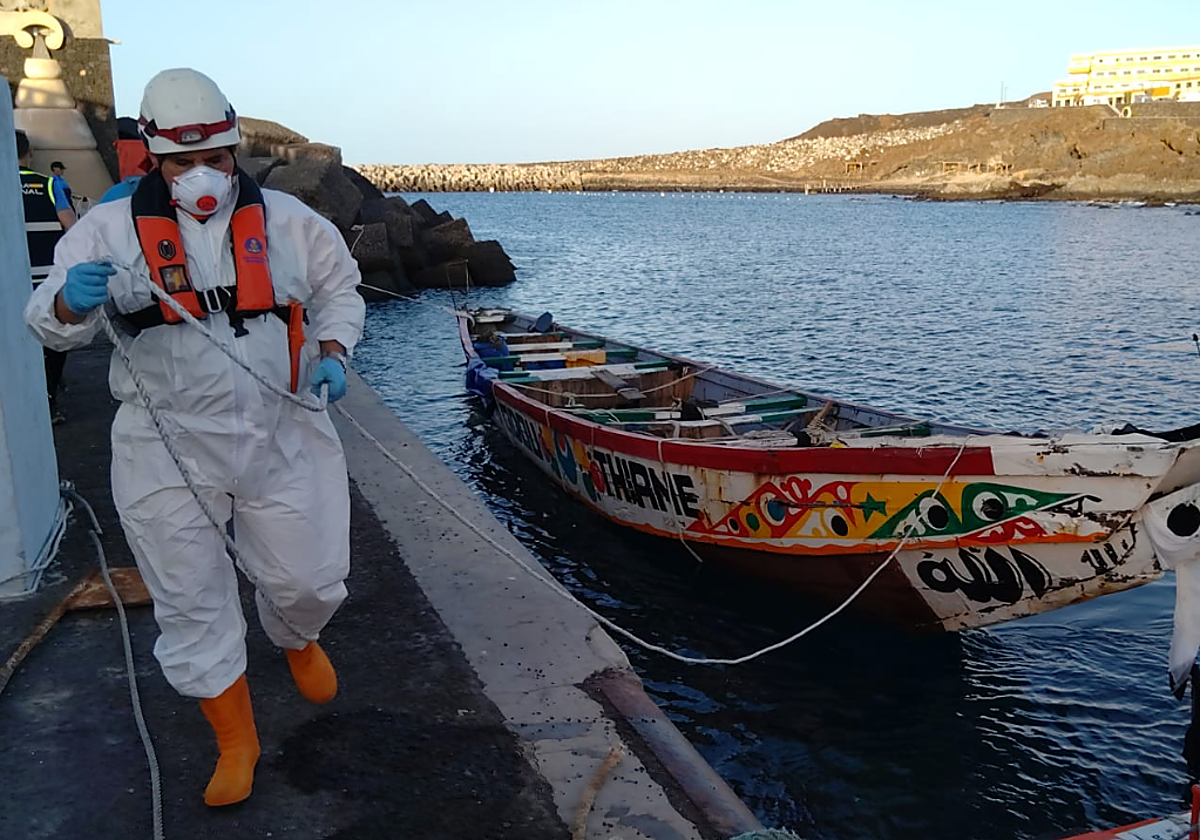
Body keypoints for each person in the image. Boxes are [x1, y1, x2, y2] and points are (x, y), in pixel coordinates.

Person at [23, 68, 365, 807]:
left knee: (308, 579)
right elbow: (48, 323)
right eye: (182, 162)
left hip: (282, 429)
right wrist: (69, 303)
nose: (201, 175)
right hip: (165, 443)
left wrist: (335, 353)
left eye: (214, 158)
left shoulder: (289, 222)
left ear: (233, 148)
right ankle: (236, 740)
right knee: (189, 597)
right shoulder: (108, 230)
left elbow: (339, 288)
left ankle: (297, 634)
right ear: (153, 156)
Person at [18, 130, 76, 423]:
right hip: (46, 278)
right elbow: (71, 226)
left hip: (11, 282)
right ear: (29, 154)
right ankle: (49, 398)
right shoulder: (49, 184)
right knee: (51, 336)